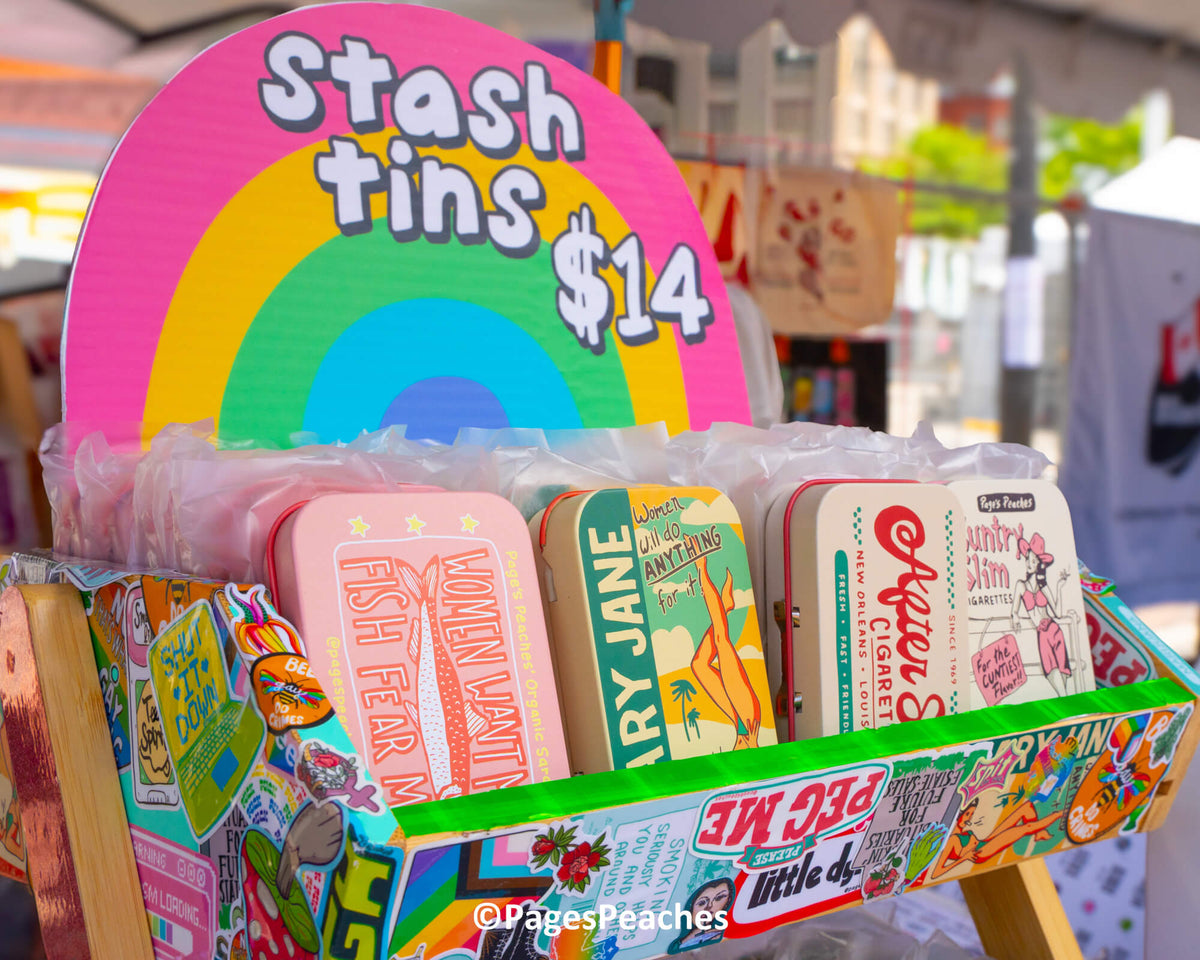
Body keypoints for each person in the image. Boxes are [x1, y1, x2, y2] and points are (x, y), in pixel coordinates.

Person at [687, 535, 762, 750]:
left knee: (699, 665)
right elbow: (758, 762)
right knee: (721, 639)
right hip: (749, 718)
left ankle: (726, 606)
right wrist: (754, 744)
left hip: (739, 724)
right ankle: (702, 567)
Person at [929, 787, 1062, 882]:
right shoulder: (951, 839)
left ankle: (1038, 833)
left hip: (985, 841)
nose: (969, 818)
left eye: (971, 814)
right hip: (981, 852)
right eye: (967, 814)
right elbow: (936, 873)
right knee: (1025, 828)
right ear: (959, 815)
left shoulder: (961, 831)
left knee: (1026, 808)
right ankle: (1059, 814)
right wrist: (964, 858)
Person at [1010, 532, 1073, 697]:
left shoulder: (1044, 586)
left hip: (1054, 629)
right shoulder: (1021, 585)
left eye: (1032, 560)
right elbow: (1014, 609)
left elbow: (1058, 613)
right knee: (1052, 671)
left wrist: (1059, 587)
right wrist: (1014, 616)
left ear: (1039, 564)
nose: (1028, 564)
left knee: (1062, 670)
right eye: (1027, 559)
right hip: (1042, 633)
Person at [667, 878, 733, 953]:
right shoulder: (677, 942)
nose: (710, 906)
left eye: (719, 898)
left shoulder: (716, 935)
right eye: (702, 903)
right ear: (690, 908)